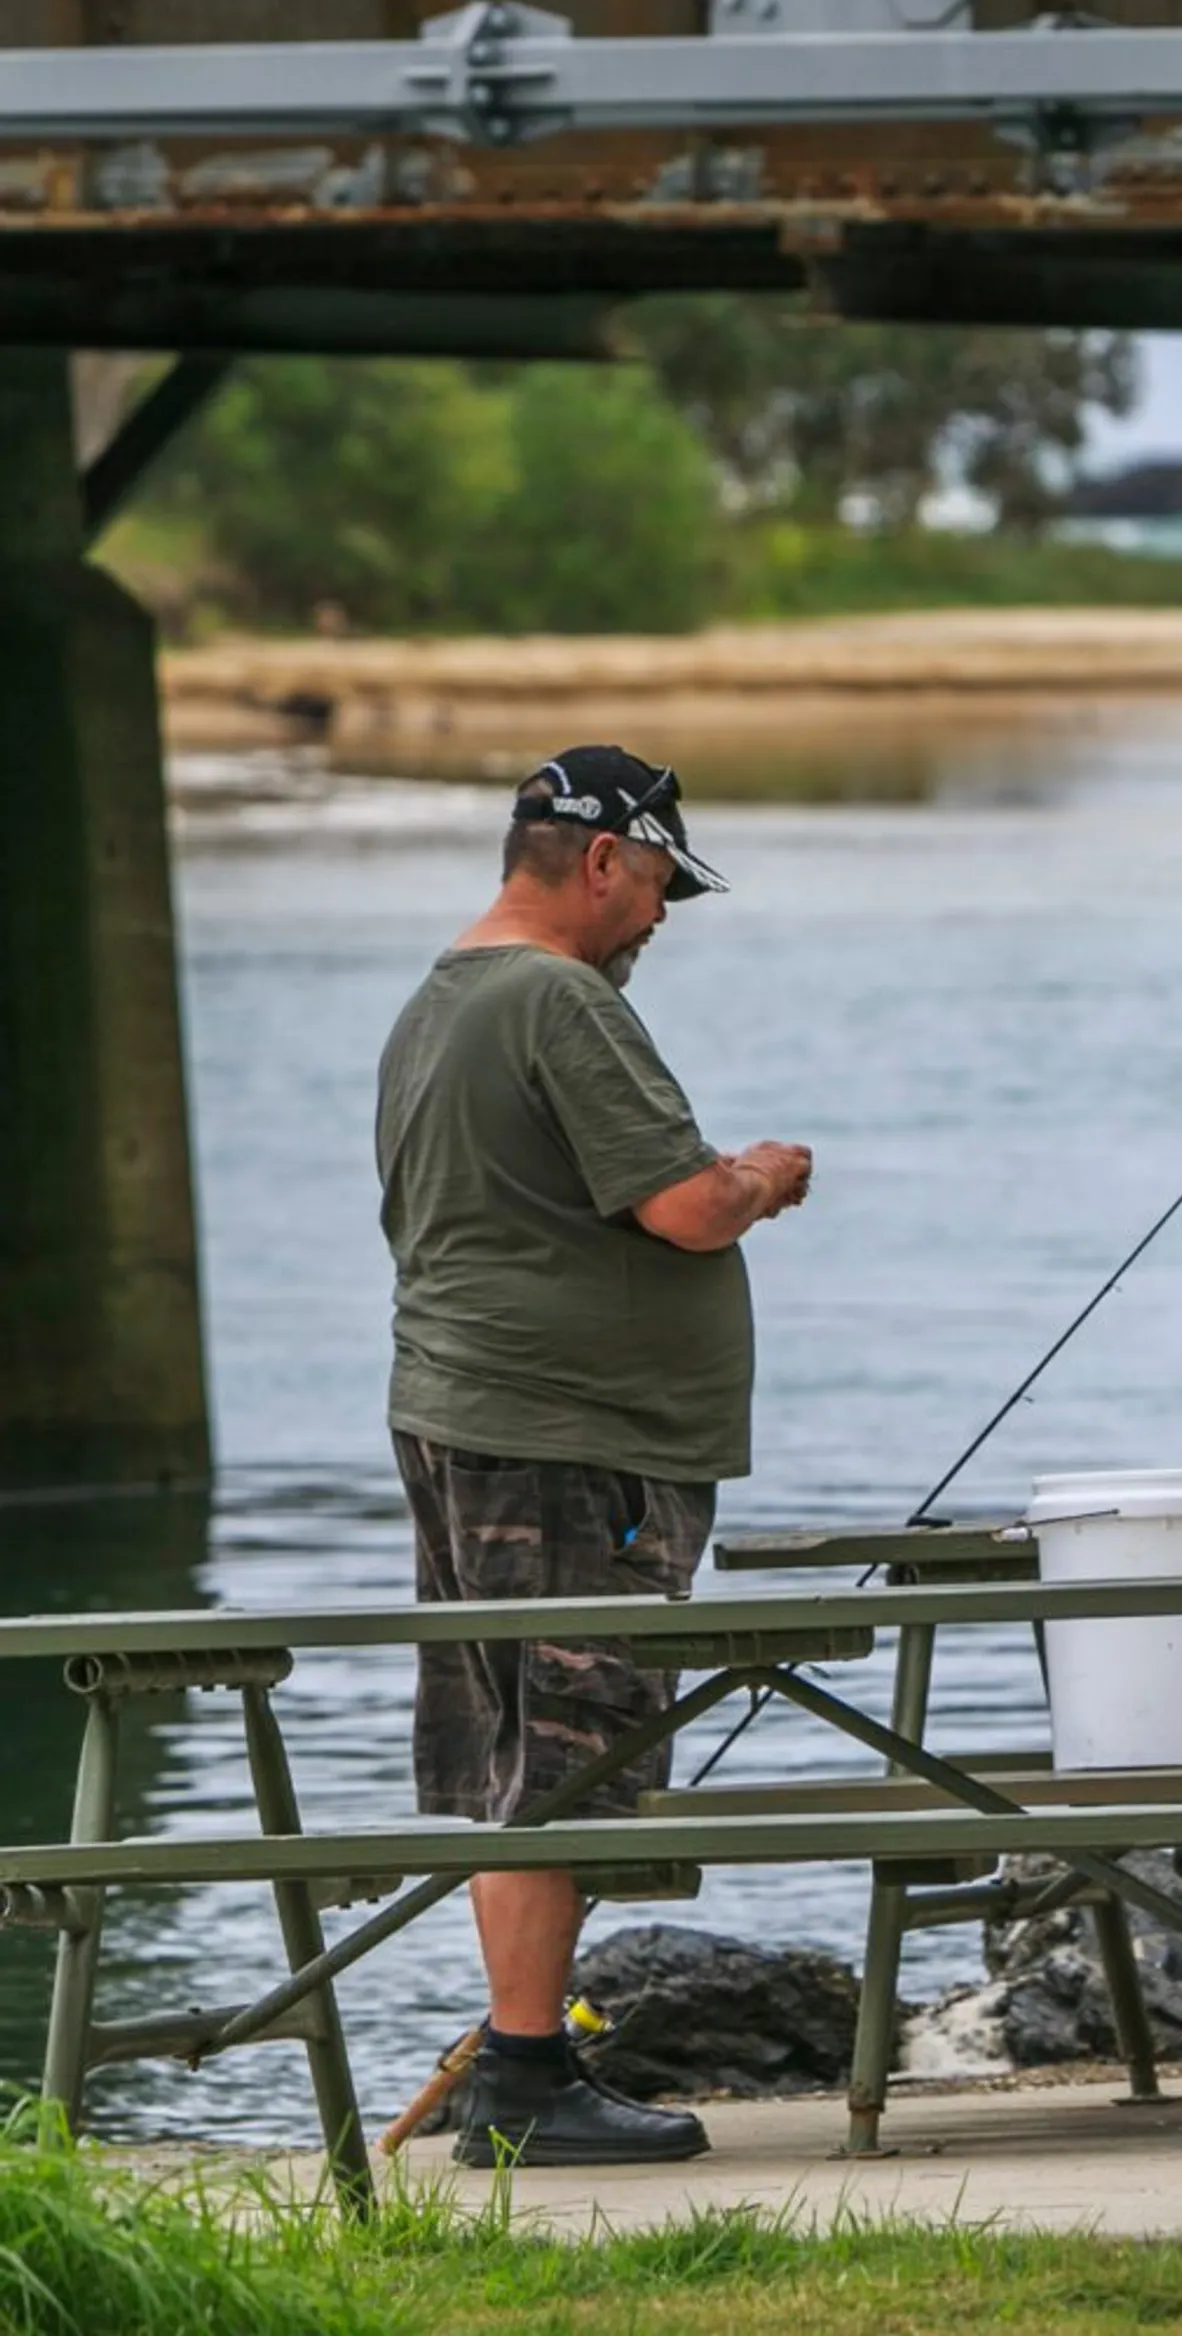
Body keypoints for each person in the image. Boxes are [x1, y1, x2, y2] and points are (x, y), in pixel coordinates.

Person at [376, 746, 813, 2168]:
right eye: (663, 885)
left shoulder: (439, 998)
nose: (665, 916)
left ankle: (521, 2060)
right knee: (564, 1754)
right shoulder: (560, 1000)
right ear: (605, 860)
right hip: (568, 1445)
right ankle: (525, 2075)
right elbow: (684, 1207)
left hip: (465, 1414)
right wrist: (762, 1173)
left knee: (513, 1754)